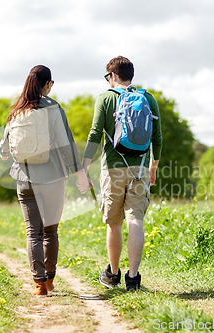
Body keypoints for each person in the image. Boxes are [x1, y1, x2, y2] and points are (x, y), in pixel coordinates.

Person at [0, 65, 89, 297]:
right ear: (48, 84)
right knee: (50, 231)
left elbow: (4, 148)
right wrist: (80, 174)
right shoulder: (54, 108)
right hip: (52, 178)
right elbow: (65, 143)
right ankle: (49, 279)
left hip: (23, 178)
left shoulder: (17, 110)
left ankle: (39, 285)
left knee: (33, 232)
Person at [82, 56, 162, 291]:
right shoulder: (148, 98)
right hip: (140, 170)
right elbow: (157, 138)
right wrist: (152, 168)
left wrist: (83, 168)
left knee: (114, 223)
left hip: (113, 169)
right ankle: (134, 278)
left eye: (108, 77)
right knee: (135, 219)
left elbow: (95, 133)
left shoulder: (105, 98)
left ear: (113, 76)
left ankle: (113, 275)